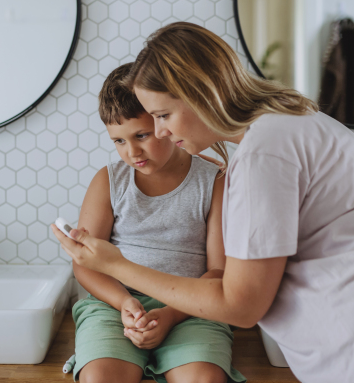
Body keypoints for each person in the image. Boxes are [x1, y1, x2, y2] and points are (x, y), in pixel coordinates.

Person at [53, 22, 354, 383]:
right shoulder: (289, 125)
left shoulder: (265, 150)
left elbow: (240, 305)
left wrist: (115, 265)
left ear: (200, 92)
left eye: (163, 114)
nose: (160, 131)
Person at [70, 63, 246, 383]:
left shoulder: (214, 180)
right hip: (116, 306)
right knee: (99, 378)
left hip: (193, 308)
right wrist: (125, 303)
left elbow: (219, 272)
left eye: (141, 135)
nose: (132, 151)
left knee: (204, 379)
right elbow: (85, 265)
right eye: (118, 141)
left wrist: (171, 314)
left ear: (165, 122)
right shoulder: (108, 181)